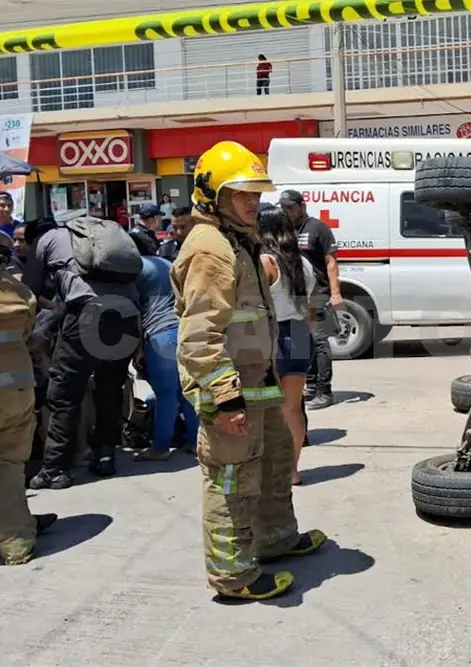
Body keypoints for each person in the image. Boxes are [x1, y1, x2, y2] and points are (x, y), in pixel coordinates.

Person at [174, 140, 325, 601]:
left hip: (258, 383)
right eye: (243, 195)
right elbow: (199, 337)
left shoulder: (237, 240)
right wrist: (224, 398)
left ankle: (275, 538)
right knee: (232, 482)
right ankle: (234, 576)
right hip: (231, 391)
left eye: (256, 195)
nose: (253, 204)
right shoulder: (211, 250)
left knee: (278, 460)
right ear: (212, 196)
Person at [23, 217, 140, 489]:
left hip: (87, 315)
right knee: (110, 390)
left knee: (64, 394)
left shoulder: (44, 241)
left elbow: (28, 292)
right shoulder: (100, 239)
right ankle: (105, 456)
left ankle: (55, 469)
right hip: (125, 315)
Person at [0, 225, 58, 565]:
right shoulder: (18, 291)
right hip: (17, 392)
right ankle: (16, 544)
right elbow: (28, 335)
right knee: (6, 467)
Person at [128, 230, 198, 462]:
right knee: (184, 390)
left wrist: (138, 350)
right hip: (183, 330)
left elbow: (134, 312)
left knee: (165, 393)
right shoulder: (165, 263)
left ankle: (160, 447)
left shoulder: (136, 269)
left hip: (160, 334)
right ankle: (195, 440)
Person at [258, 204, 315, 485]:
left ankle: (272, 472)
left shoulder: (264, 262)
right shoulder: (302, 263)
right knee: (293, 409)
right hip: (300, 333)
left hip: (272, 335)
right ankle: (292, 471)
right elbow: (309, 308)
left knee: (267, 411)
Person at [278, 189, 341, 411]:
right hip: (296, 295)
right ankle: (311, 387)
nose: (287, 212)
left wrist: (335, 294)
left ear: (302, 206)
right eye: (283, 208)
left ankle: (325, 391)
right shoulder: (285, 230)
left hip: (318, 292)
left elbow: (331, 262)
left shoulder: (318, 228)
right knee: (305, 343)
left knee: (319, 341)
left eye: (291, 208)